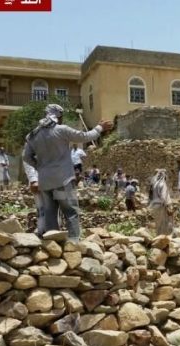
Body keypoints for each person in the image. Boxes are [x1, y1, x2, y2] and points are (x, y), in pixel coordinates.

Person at [22, 103, 113, 242]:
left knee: (50, 213)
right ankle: (74, 244)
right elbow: (85, 136)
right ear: (59, 116)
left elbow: (26, 157)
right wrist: (100, 127)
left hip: (45, 182)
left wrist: (40, 167)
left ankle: (53, 245)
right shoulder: (61, 130)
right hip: (63, 180)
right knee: (70, 212)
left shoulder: (33, 135)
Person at [23, 161, 46, 236]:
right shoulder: (29, 150)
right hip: (38, 181)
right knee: (41, 208)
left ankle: (52, 230)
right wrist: (33, 180)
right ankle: (42, 231)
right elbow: (28, 162)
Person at [149, 169, 174, 235]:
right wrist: (168, 205)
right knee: (164, 224)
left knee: (158, 224)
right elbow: (163, 197)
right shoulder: (163, 184)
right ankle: (164, 240)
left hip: (155, 205)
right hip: (161, 206)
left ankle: (158, 238)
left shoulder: (155, 184)